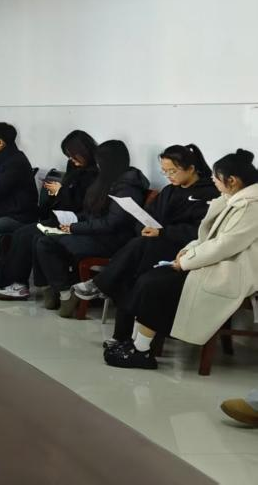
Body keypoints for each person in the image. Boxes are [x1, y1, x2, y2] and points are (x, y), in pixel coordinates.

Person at [105, 149, 258, 369]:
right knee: (149, 277)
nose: (213, 181)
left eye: (216, 177)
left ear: (232, 181)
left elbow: (225, 245)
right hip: (214, 261)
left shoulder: (251, 206)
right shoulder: (232, 199)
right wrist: (188, 250)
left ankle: (141, 350)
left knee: (156, 283)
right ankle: (137, 345)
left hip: (232, 270)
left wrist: (185, 262)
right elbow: (206, 236)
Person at [72, 144, 219, 346]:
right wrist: (144, 226)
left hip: (183, 250)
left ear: (191, 168)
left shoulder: (208, 194)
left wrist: (163, 232)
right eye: (165, 172)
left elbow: (200, 231)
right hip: (155, 245)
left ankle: (101, 285)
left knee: (136, 254)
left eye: (173, 171)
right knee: (129, 273)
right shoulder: (169, 191)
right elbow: (148, 215)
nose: (169, 176)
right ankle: (120, 336)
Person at [32, 139, 150, 317]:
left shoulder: (127, 187)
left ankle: (64, 293)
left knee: (48, 244)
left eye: (100, 162)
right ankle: (60, 291)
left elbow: (112, 223)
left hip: (112, 241)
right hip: (95, 234)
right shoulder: (107, 180)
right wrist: (72, 221)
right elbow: (91, 212)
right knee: (42, 238)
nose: (97, 166)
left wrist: (75, 228)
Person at [0, 130, 99, 299]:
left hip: (74, 221)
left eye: (74, 156)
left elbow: (82, 203)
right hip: (59, 216)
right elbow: (67, 196)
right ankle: (11, 283)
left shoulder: (95, 174)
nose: (72, 160)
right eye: (68, 156)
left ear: (84, 151)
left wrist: (61, 191)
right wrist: (57, 193)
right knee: (21, 233)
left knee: (26, 235)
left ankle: (13, 284)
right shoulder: (74, 167)